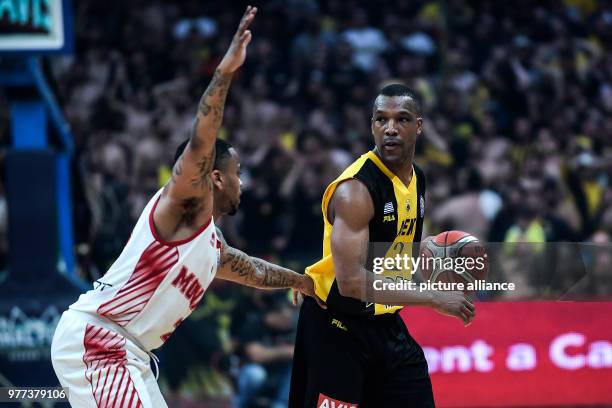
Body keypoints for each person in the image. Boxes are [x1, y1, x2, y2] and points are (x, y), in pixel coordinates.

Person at [51, 7, 317, 407]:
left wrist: (300, 281)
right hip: (100, 340)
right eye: (237, 171)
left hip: (130, 354)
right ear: (215, 177)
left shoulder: (211, 247)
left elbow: (254, 270)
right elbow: (201, 140)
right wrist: (224, 73)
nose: (243, 181)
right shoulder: (181, 207)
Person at [289, 84, 475, 407]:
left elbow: (396, 255)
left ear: (418, 126)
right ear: (372, 125)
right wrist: (433, 298)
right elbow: (350, 282)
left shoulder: (417, 178)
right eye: (381, 120)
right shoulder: (355, 191)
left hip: (385, 326)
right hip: (338, 327)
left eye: (401, 119)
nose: (390, 129)